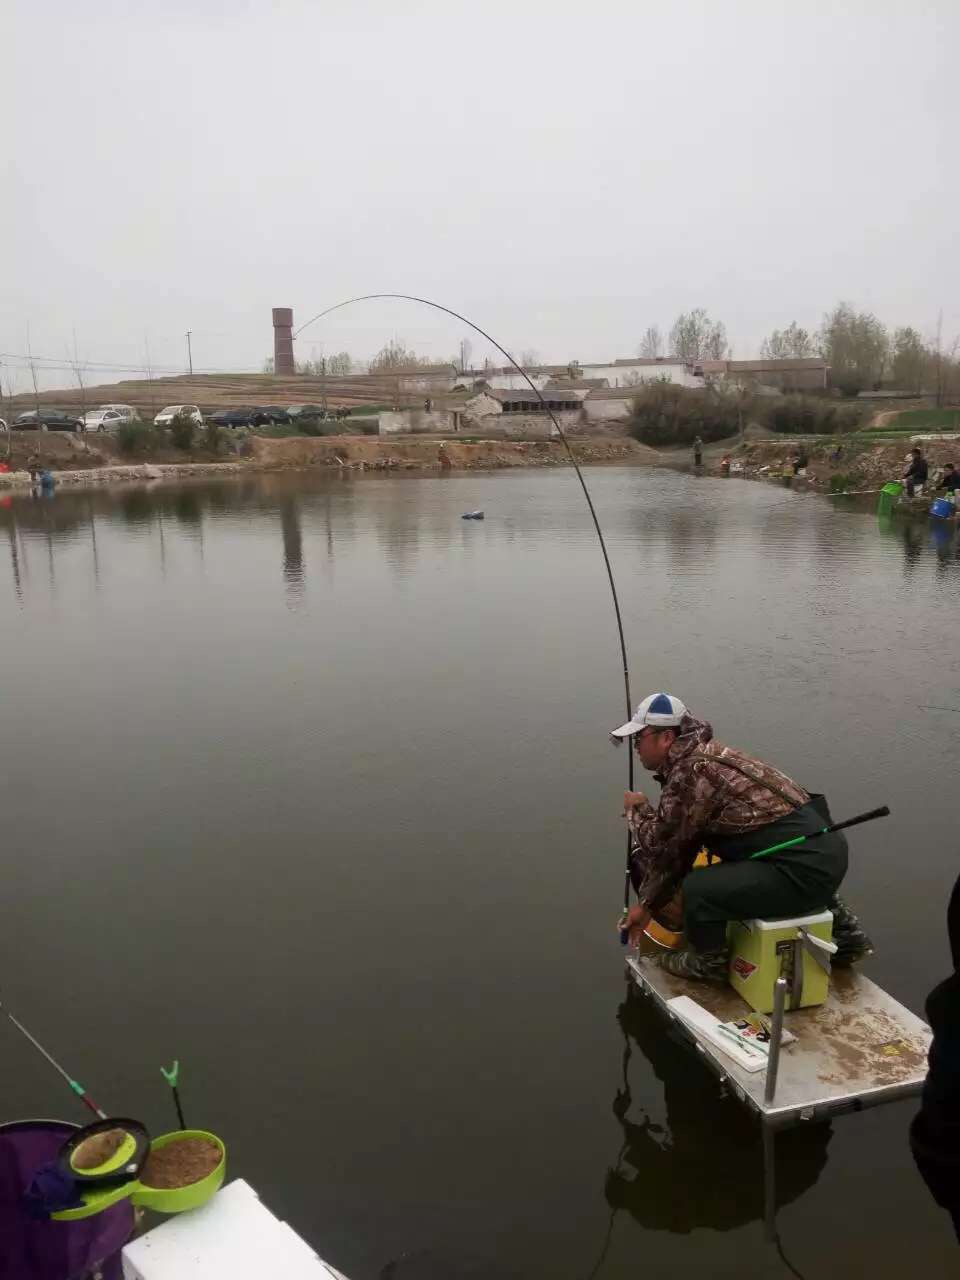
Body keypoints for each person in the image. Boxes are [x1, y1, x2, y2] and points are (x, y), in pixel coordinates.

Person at [612, 692, 872, 981]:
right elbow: (680, 847)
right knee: (751, 859)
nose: (636, 747)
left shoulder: (690, 774)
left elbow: (662, 848)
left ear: (666, 738)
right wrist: (648, 906)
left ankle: (709, 962)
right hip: (826, 853)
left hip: (802, 868)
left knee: (699, 888)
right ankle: (847, 936)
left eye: (639, 738)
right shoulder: (713, 755)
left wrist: (638, 811)